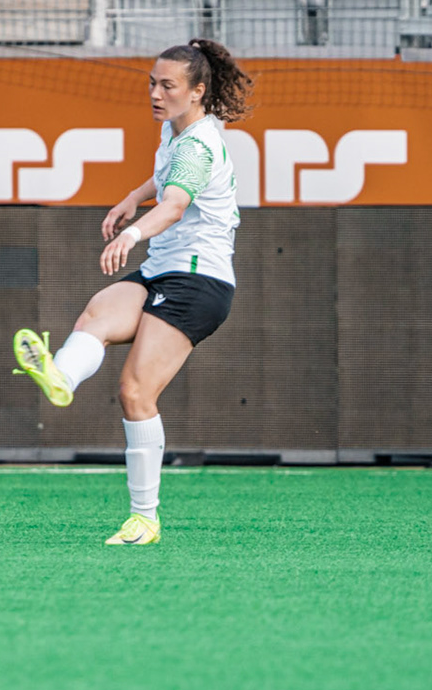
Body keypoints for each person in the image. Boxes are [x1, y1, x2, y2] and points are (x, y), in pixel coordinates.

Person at [13, 39, 254, 545]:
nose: (155, 93)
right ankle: (60, 376)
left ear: (197, 92)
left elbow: (174, 205)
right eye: (152, 82)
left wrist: (132, 231)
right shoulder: (178, 131)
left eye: (168, 86)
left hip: (199, 281)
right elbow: (165, 181)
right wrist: (131, 197)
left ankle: (144, 518)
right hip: (166, 268)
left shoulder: (198, 144)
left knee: (135, 391)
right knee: (98, 313)